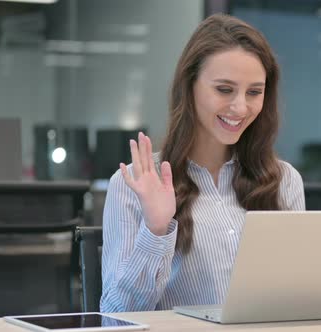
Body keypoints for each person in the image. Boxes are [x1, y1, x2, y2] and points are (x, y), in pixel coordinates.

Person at [100, 13, 305, 312]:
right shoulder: (134, 184)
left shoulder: (284, 180)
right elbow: (116, 318)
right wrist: (156, 230)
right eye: (224, 89)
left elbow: (298, 297)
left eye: (254, 92)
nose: (240, 107)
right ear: (190, 86)